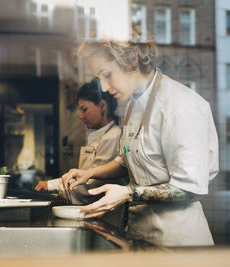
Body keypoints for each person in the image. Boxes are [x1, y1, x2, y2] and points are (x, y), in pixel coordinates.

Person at [61, 39, 219, 247]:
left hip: (178, 245)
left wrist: (128, 192)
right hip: (141, 237)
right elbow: (126, 159)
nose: (105, 88)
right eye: (99, 78)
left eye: (107, 75)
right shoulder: (133, 105)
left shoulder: (181, 106)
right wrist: (90, 173)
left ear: (131, 59)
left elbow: (190, 189)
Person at [35, 79, 127, 204]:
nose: (80, 116)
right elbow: (84, 176)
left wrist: (53, 187)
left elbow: (94, 183)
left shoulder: (113, 136)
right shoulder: (97, 136)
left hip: (105, 211)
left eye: (84, 109)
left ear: (102, 106)